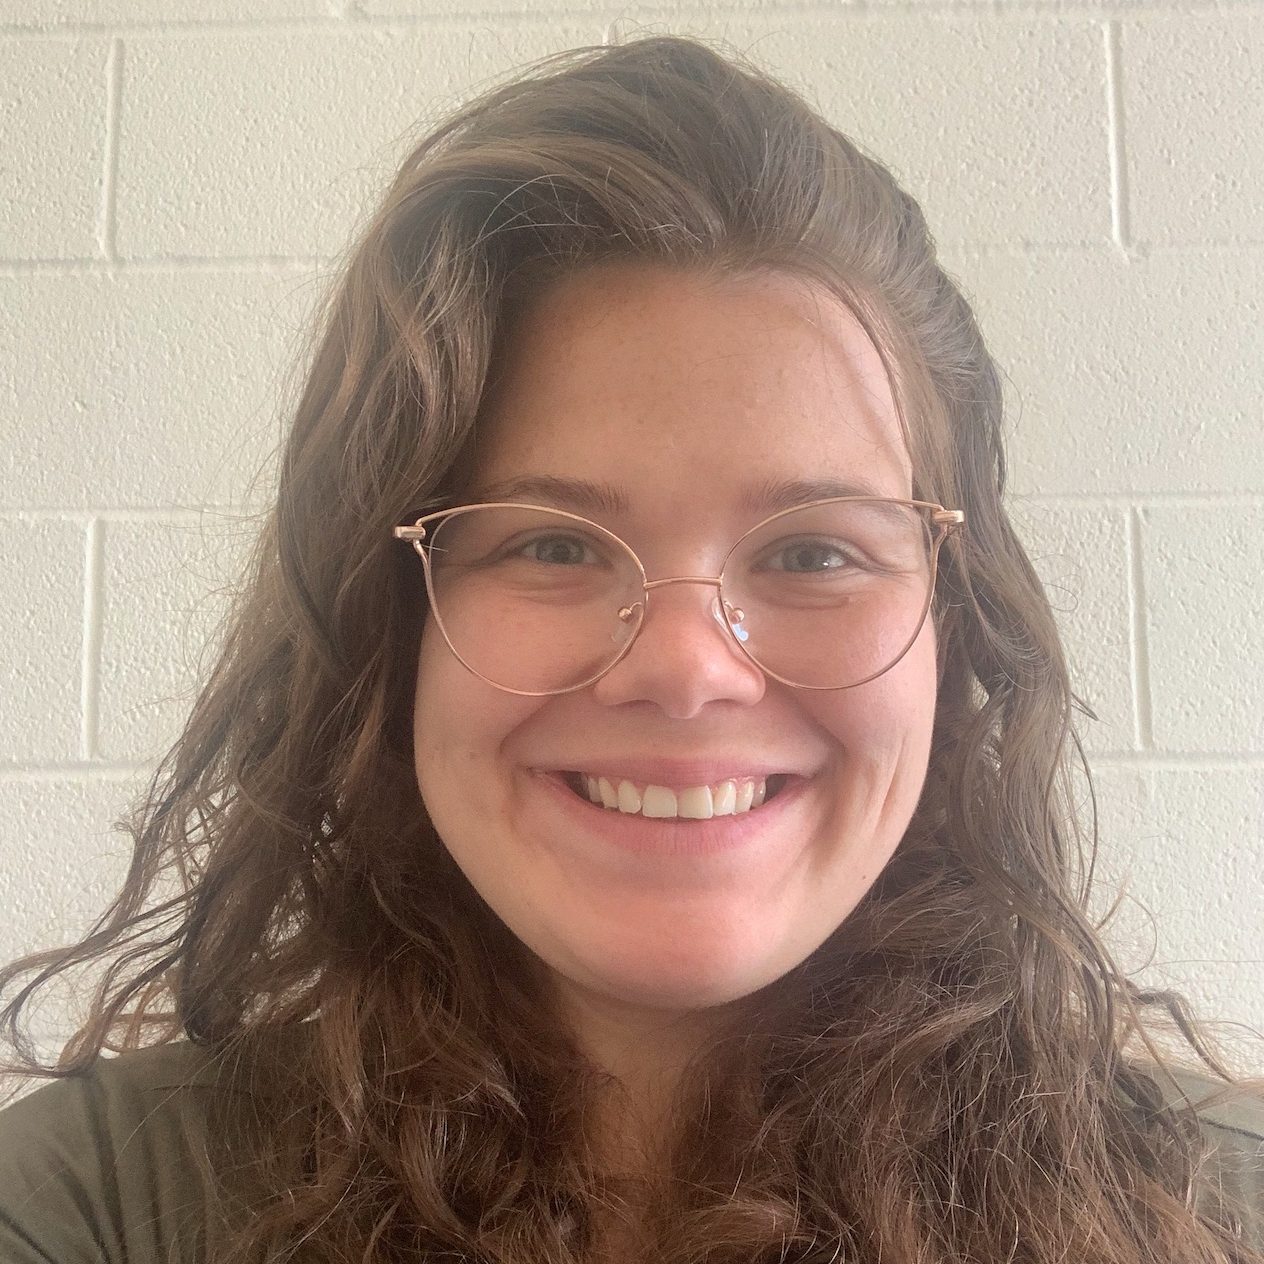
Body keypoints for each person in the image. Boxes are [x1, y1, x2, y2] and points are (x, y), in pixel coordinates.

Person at [0, 34, 1260, 1264]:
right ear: (390, 624)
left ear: (954, 617)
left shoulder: (1222, 1208)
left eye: (815, 551)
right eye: (551, 546)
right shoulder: (93, 1207)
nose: (688, 666)